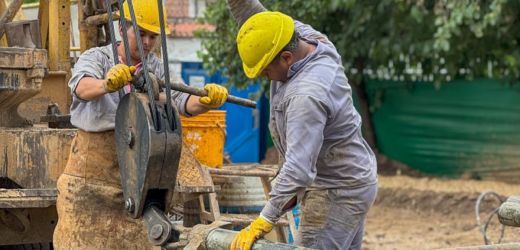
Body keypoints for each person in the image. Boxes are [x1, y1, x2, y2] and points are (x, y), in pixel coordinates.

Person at [52, 1, 228, 249]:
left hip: (138, 183)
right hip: (89, 181)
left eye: (153, 36)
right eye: (141, 33)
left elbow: (182, 102)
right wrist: (107, 84)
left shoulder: (155, 67)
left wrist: (207, 101)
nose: (147, 42)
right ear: (123, 29)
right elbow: (81, 88)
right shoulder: (96, 58)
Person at [226, 1, 378, 250]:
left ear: (286, 58)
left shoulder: (306, 96)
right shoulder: (307, 39)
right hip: (351, 181)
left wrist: (263, 220)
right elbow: (261, 22)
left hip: (336, 192)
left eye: (265, 71)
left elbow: (298, 168)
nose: (264, 77)